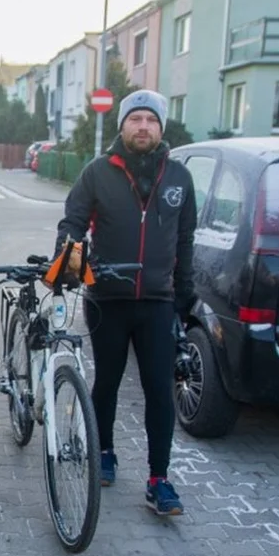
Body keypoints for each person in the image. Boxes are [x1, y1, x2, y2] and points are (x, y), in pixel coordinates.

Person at [56, 89, 197, 516]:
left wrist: (184, 297)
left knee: (159, 390)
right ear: (122, 126)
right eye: (135, 119)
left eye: (150, 121)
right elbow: (74, 222)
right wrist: (68, 263)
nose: (142, 127)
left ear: (161, 128)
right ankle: (105, 453)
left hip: (158, 302)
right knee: (108, 382)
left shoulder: (179, 178)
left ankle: (159, 479)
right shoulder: (98, 172)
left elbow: (186, 240)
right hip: (108, 297)